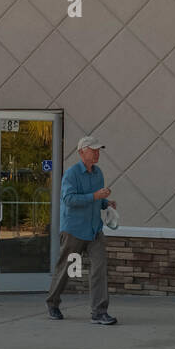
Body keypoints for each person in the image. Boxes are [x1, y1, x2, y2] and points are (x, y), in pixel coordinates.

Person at [46, 135, 117, 325]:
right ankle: (52, 303)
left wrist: (105, 203)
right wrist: (95, 196)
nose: (96, 153)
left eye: (98, 150)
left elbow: (95, 199)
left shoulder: (98, 173)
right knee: (66, 269)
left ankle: (99, 312)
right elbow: (69, 199)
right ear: (81, 152)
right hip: (74, 230)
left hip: (94, 230)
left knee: (99, 269)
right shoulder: (71, 174)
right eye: (93, 150)